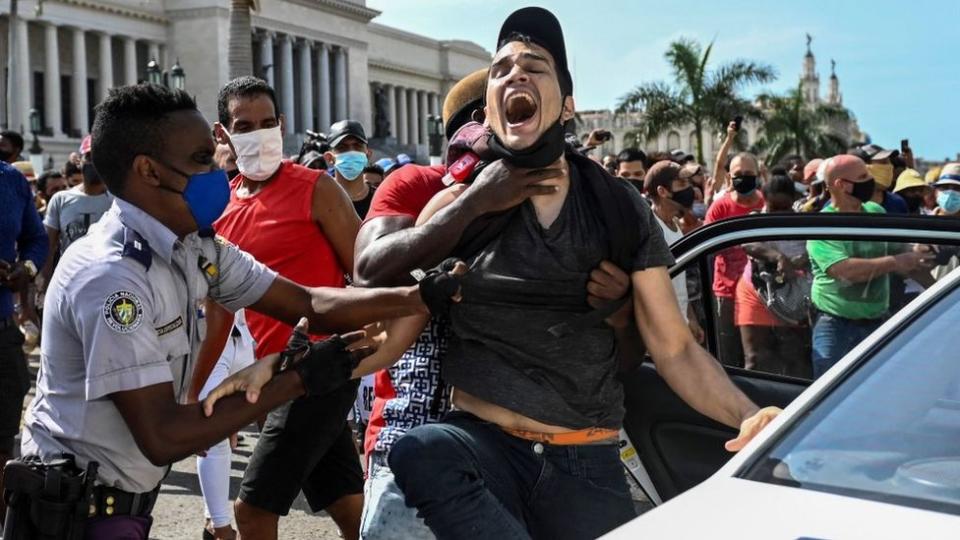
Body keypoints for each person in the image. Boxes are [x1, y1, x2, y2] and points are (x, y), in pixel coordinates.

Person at [387, 8, 780, 538]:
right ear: (489, 110)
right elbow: (392, 327)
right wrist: (293, 368)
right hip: (480, 450)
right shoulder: (454, 209)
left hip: (584, 459)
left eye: (536, 67)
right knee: (419, 451)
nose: (516, 75)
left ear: (567, 105)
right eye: (502, 69)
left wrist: (750, 418)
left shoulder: (617, 209)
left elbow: (675, 349)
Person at [16, 83, 455, 539]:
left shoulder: (196, 246)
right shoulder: (112, 278)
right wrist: (297, 379)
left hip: (115, 505)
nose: (214, 173)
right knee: (262, 507)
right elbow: (163, 436)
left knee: (338, 493)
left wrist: (419, 297)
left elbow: (308, 302)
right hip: (74, 512)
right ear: (148, 171)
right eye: (201, 160)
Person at [205, 76, 365, 540]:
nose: (258, 133)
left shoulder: (317, 188)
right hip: (268, 376)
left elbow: (368, 272)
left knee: (252, 512)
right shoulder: (221, 206)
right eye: (244, 125)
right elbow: (219, 307)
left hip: (318, 370)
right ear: (223, 134)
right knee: (348, 504)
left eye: (267, 122)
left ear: (282, 124)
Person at [806, 155, 933, 378]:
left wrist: (917, 254)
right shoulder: (822, 226)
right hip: (835, 325)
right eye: (863, 177)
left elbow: (900, 252)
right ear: (841, 185)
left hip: (877, 322)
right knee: (828, 392)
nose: (871, 181)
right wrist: (896, 262)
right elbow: (845, 271)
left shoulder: (875, 212)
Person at [0, 160, 48, 526]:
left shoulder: (12, 180)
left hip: (3, 334)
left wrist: (25, 269)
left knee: (4, 440)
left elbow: (36, 238)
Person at [737, 176, 811, 378]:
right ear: (765, 200)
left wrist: (801, 260)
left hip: (794, 294)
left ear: (793, 200)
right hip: (755, 289)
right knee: (756, 358)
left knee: (796, 358)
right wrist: (777, 257)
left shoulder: (804, 221)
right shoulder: (755, 218)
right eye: (773, 207)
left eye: (784, 207)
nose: (779, 213)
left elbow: (814, 251)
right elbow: (747, 244)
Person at [706, 128, 765, 367]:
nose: (743, 178)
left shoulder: (766, 203)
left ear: (758, 175)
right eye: (738, 174)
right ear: (729, 178)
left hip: (759, 293)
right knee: (729, 358)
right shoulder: (719, 208)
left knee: (757, 358)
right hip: (727, 293)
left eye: (748, 173)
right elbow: (708, 246)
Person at [644, 161, 703, 341]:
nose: (690, 190)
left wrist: (690, 318)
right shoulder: (651, 230)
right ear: (663, 191)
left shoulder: (676, 225)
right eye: (682, 184)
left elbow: (680, 280)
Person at [40, 141, 114, 286]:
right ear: (79, 162)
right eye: (89, 157)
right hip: (69, 282)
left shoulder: (119, 200)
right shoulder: (60, 200)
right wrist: (46, 284)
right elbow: (48, 247)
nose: (94, 163)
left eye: (99, 157)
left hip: (109, 280)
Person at [325, 120, 375, 219]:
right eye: (342, 147)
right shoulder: (320, 199)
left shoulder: (379, 199)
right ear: (329, 158)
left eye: (357, 146)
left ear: (368, 155)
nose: (351, 152)